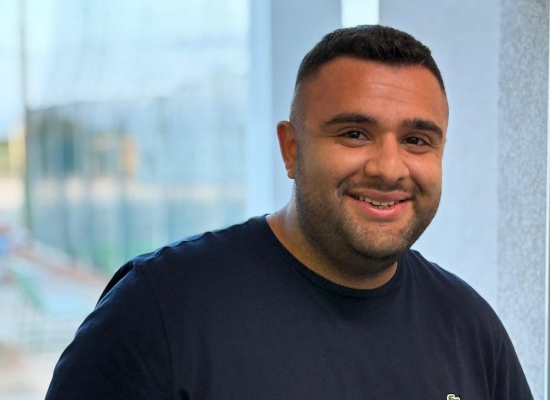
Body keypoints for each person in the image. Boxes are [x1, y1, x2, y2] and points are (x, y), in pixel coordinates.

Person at [46, 25, 533, 400]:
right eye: (354, 134)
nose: (389, 168)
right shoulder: (160, 310)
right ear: (291, 149)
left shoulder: (470, 329)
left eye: (416, 140)